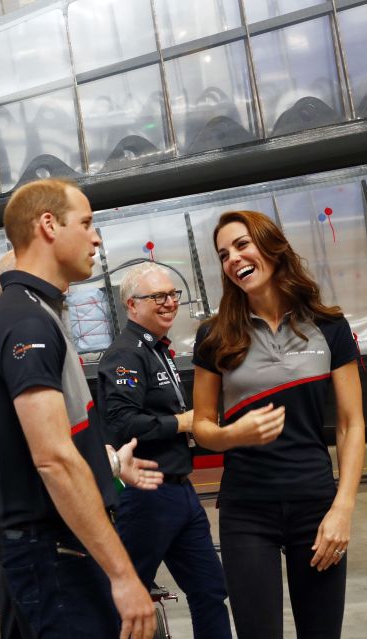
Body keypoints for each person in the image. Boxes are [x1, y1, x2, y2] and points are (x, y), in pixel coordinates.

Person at [0, 178, 157, 639]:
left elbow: (38, 444)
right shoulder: (27, 321)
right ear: (48, 225)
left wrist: (106, 464)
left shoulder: (38, 313)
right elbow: (51, 458)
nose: (96, 238)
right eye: (88, 223)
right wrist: (122, 574)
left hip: (52, 549)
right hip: (53, 553)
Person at [191, 210, 366, 639]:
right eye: (223, 254)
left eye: (241, 245)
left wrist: (342, 508)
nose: (233, 258)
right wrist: (233, 435)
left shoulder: (328, 326)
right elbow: (201, 426)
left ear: (272, 246)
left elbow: (351, 423)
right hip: (247, 512)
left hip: (315, 506)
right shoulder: (215, 336)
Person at [98, 263, 232, 638]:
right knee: (129, 595)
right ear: (131, 305)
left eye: (173, 295)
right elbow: (123, 424)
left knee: (209, 589)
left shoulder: (159, 351)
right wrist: (182, 423)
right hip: (147, 494)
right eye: (158, 296)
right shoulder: (125, 355)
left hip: (180, 492)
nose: (169, 302)